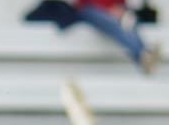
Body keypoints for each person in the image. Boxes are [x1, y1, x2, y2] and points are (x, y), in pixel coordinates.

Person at [25, 0, 159, 72]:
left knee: (128, 20)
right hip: (89, 9)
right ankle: (141, 53)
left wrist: (119, 9)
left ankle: (142, 52)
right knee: (110, 22)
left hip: (114, 11)